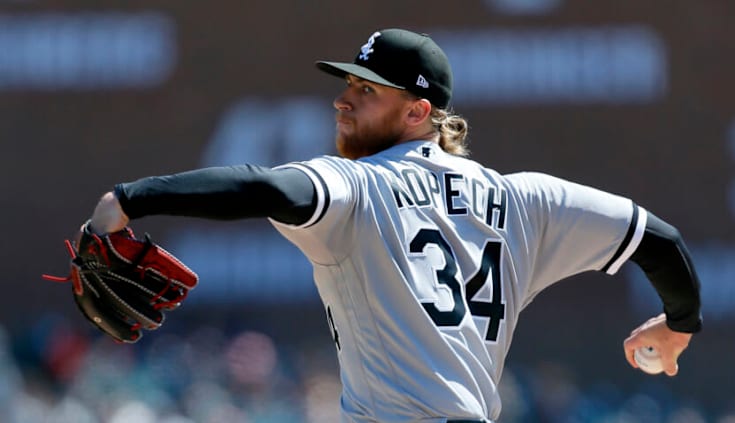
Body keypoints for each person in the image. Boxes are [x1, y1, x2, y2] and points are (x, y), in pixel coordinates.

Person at [84, 28, 702, 423]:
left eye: (367, 90)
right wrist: (678, 326)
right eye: (349, 83)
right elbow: (660, 240)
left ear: (418, 111)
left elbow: (265, 186)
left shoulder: (361, 185)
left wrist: (128, 199)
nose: (344, 99)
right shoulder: (524, 200)